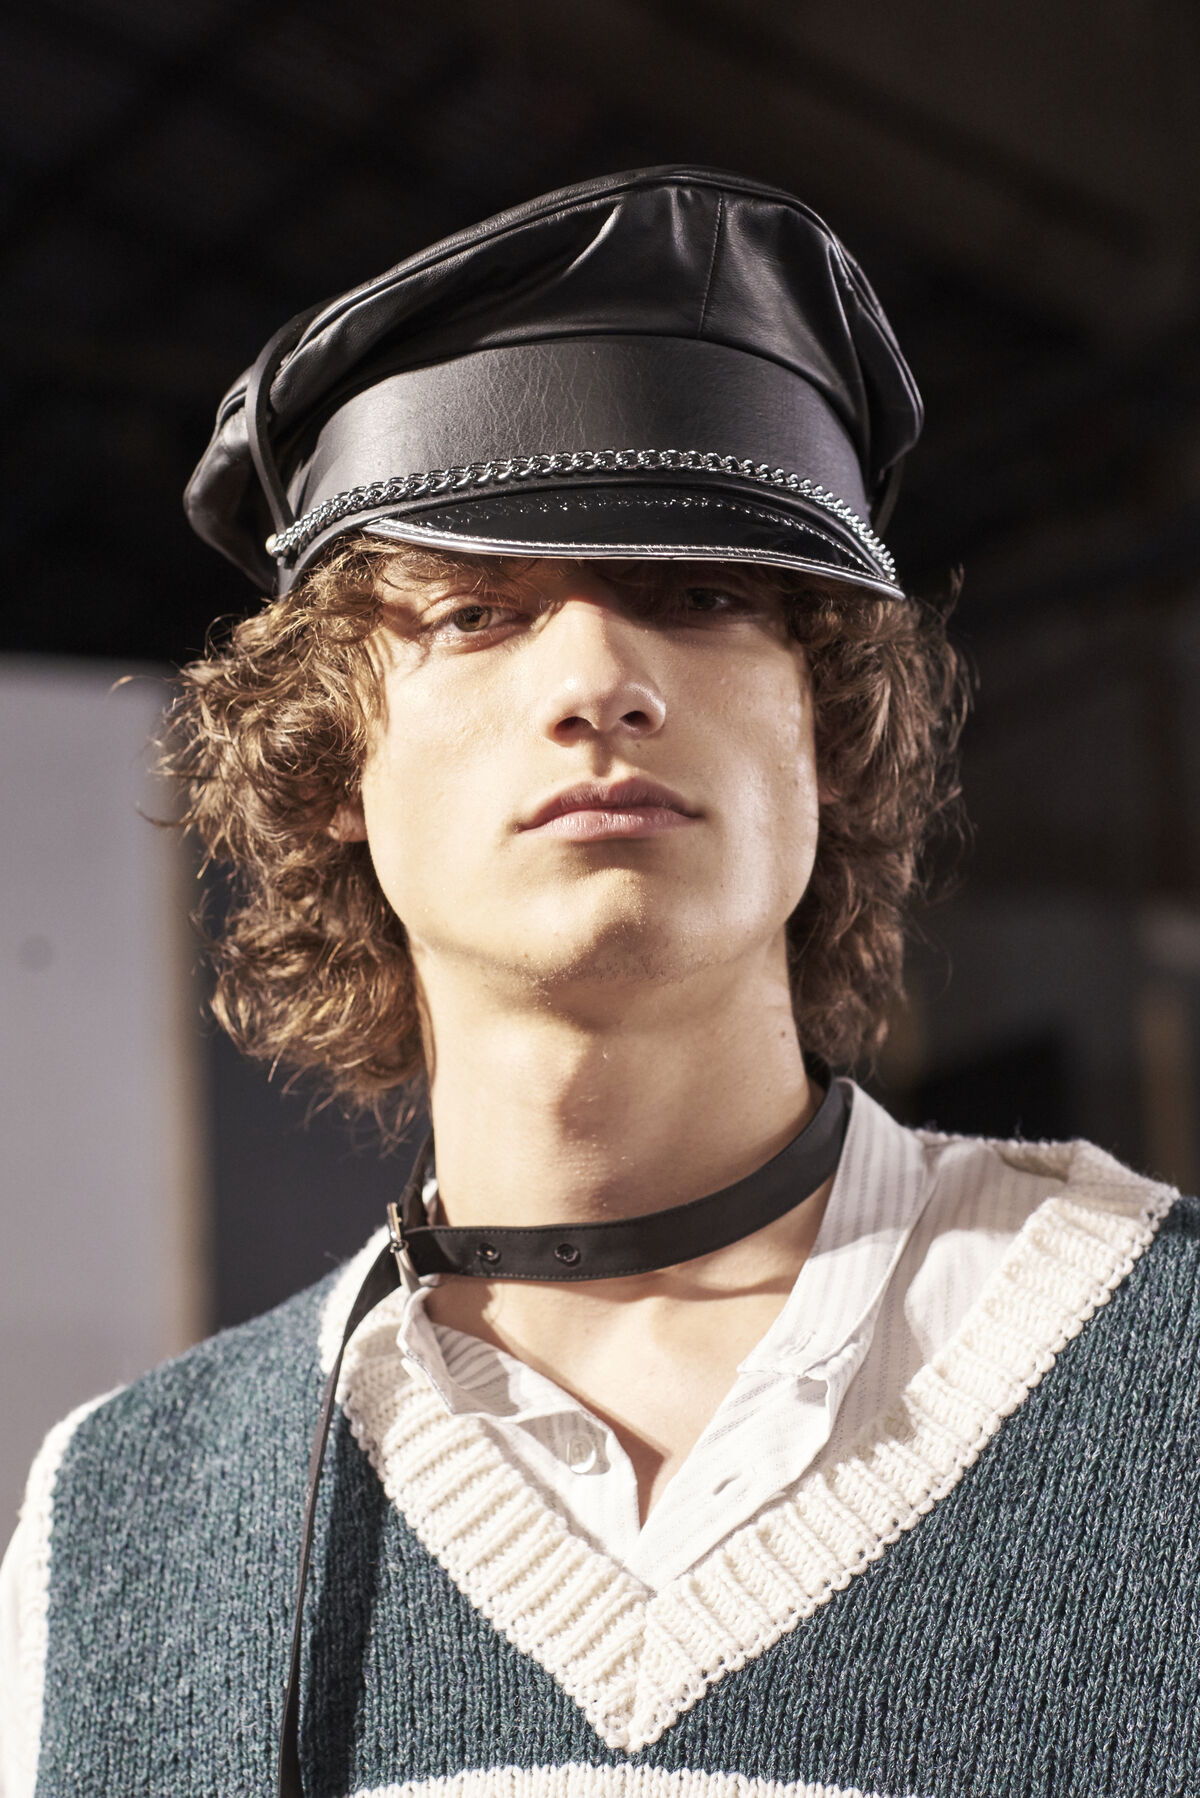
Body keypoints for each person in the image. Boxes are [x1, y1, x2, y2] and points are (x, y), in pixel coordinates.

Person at [2, 167, 1196, 1798]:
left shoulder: (1169, 1368)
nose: (599, 681)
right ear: (337, 757)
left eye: (700, 594)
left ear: (829, 733)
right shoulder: (122, 1526)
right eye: (479, 614)